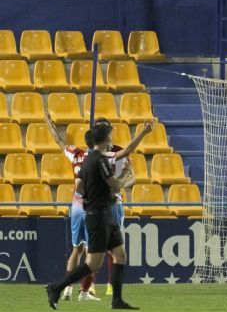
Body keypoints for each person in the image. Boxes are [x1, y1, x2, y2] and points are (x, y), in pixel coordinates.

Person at [45, 113, 153, 302]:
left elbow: (60, 142)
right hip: (97, 208)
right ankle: (82, 290)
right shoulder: (103, 158)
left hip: (78, 204)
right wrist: (144, 131)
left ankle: (71, 289)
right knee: (94, 256)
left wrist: (48, 121)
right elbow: (126, 152)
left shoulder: (76, 154)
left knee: (79, 249)